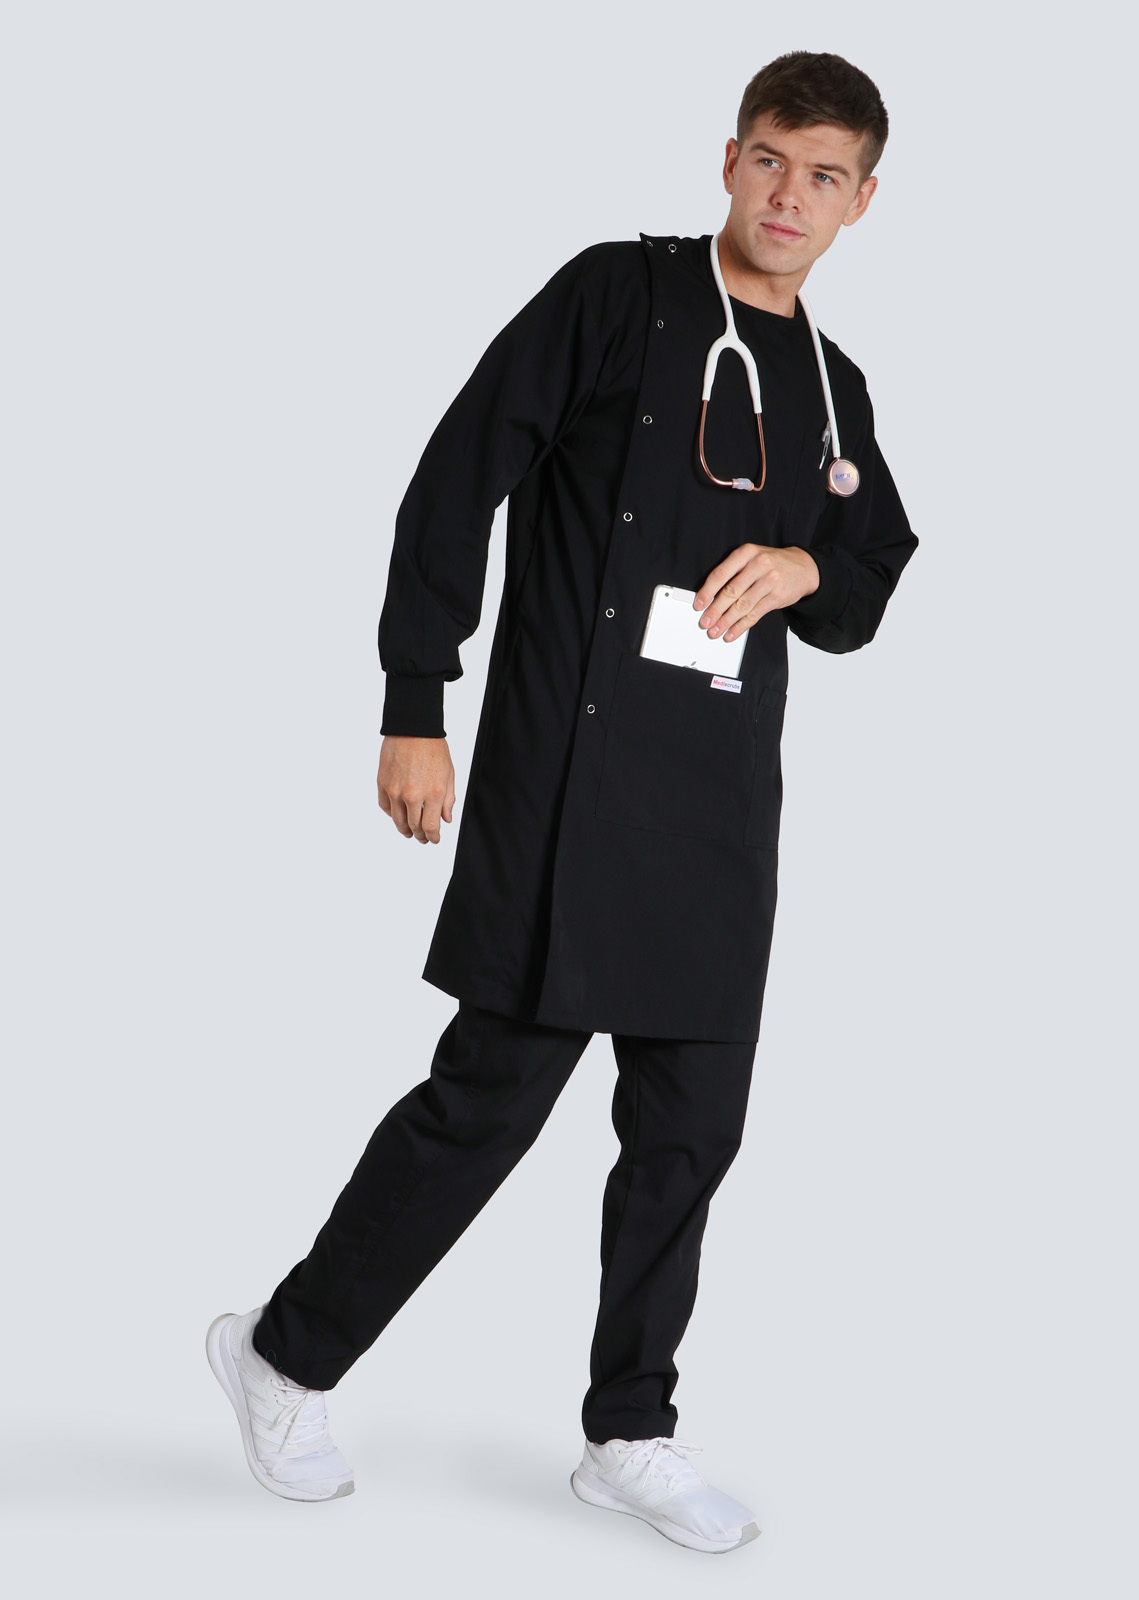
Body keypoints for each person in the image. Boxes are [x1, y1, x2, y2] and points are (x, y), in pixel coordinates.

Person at [206, 49, 918, 1554]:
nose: (790, 197)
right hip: (564, 779)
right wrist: (416, 700)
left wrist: (808, 563)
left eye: (825, 176)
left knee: (689, 1137)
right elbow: (456, 476)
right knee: (488, 1105)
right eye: (771, 160)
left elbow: (865, 588)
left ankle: (629, 1431)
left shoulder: (832, 388)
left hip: (717, 814)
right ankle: (285, 1356)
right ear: (729, 159)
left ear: (864, 200)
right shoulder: (616, 296)